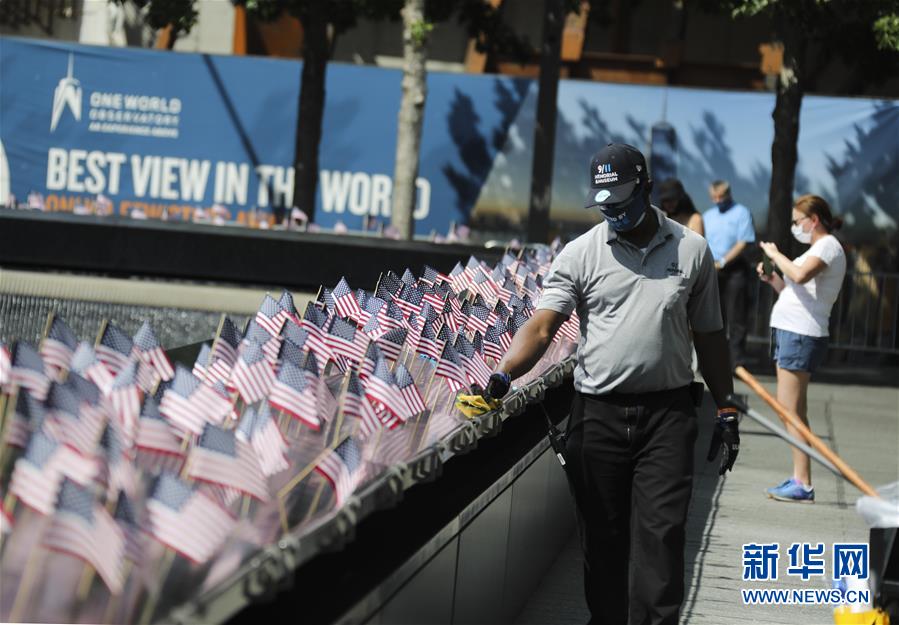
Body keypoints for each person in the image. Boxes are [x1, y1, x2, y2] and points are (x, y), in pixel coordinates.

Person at [458, 143, 739, 625]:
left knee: (662, 539)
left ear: (647, 187)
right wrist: (503, 375)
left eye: (623, 200)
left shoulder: (691, 250)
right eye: (604, 202)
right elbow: (542, 327)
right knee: (602, 542)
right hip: (598, 417)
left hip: (668, 419)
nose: (614, 210)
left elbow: (709, 335)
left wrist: (727, 407)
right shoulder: (580, 254)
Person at [757, 194, 846, 503]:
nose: (795, 227)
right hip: (792, 331)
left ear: (814, 220)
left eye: (797, 222)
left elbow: (799, 274)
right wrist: (772, 279)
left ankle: (803, 482)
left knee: (789, 410)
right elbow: (794, 289)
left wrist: (775, 254)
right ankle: (800, 478)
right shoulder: (817, 248)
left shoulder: (827, 247)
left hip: (801, 334)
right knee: (793, 411)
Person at [702, 180, 756, 367]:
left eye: (720, 196)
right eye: (713, 197)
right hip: (713, 270)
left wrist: (723, 261)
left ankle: (736, 363)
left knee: (736, 317)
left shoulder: (742, 213)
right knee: (714, 318)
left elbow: (743, 242)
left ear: (728, 194)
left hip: (735, 270)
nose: (717, 200)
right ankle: (714, 360)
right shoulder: (708, 216)